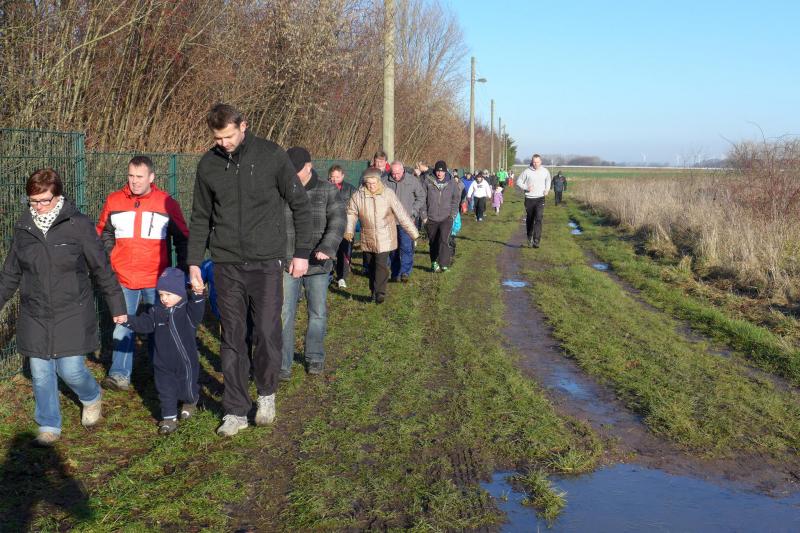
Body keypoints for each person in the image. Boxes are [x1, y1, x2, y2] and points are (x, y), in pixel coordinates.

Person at [187, 103, 313, 437]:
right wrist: (194, 262)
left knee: (268, 333)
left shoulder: (271, 155)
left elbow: (300, 204)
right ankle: (236, 410)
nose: (223, 143)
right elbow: (200, 217)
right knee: (232, 337)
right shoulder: (208, 165)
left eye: (228, 136)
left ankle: (267, 393)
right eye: (217, 138)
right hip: (226, 263)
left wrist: (301, 253)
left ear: (243, 125)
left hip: (266, 263)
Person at [0, 169, 126, 446]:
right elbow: (10, 273)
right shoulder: (23, 228)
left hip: (72, 310)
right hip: (35, 311)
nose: (39, 206)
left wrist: (117, 304)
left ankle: (91, 396)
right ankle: (48, 423)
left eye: (44, 200)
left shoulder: (78, 224)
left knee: (70, 370)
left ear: (58, 196)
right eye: (33, 201)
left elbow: (101, 267)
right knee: (41, 372)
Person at [96, 155, 189, 392]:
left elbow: (182, 238)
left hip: (156, 279)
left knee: (160, 326)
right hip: (123, 277)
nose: (135, 181)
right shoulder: (114, 200)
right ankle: (119, 375)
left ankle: (162, 373)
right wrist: (111, 257)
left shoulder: (166, 203)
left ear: (151, 177)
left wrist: (181, 273)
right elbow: (103, 232)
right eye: (131, 176)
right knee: (122, 324)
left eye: (140, 176)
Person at [280, 148, 345, 380]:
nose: (292, 175)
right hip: (288, 262)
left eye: (297, 170)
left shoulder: (327, 190)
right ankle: (283, 364)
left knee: (317, 311)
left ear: (309, 166)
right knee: (284, 313)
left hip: (317, 263)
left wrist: (327, 247)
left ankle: (315, 356)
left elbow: (338, 220)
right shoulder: (282, 189)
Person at [115, 267, 205, 434]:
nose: (164, 298)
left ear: (180, 293)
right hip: (162, 362)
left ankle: (190, 401)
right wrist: (127, 320)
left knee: (187, 387)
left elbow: (198, 307)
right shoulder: (156, 311)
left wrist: (198, 294)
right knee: (165, 390)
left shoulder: (188, 312)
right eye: (161, 294)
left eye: (168, 294)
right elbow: (144, 324)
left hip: (185, 361)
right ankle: (169, 418)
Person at [344, 168, 419, 304]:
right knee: (371, 266)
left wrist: (414, 233)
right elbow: (351, 213)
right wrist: (349, 230)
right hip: (367, 237)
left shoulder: (388, 194)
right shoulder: (358, 196)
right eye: (368, 183)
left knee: (381, 265)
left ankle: (380, 292)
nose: (371, 186)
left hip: (385, 236)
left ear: (379, 181)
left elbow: (401, 214)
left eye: (374, 183)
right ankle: (373, 291)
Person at [383, 161, 426, 282]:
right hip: (390, 221)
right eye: (393, 173)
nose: (395, 176)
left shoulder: (412, 181)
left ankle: (405, 272)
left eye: (398, 173)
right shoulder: (384, 181)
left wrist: (414, 211)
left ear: (403, 171)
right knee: (393, 249)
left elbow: (421, 196)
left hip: (407, 220)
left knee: (406, 247)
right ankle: (395, 272)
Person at [421, 160, 461, 273]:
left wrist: (452, 215)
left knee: (444, 240)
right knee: (433, 241)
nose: (439, 173)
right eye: (438, 171)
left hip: (446, 217)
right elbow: (422, 199)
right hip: (431, 217)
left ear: (445, 171)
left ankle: (444, 264)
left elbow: (456, 199)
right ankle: (434, 262)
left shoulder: (451, 182)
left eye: (442, 171)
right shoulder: (427, 180)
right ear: (435, 171)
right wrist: (424, 215)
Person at [328, 165, 357, 289]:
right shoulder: (325, 187)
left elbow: (355, 207)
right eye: (332, 177)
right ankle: (328, 275)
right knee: (328, 251)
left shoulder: (350, 189)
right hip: (329, 225)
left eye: (337, 177)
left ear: (343, 176)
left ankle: (342, 277)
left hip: (345, 226)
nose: (334, 179)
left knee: (344, 252)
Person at [516, 154, 551, 248]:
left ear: (541, 162)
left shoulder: (545, 171)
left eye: (537, 162)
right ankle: (529, 237)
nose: (536, 164)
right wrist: (526, 187)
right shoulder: (527, 171)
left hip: (540, 198)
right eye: (534, 162)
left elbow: (548, 180)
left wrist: (547, 189)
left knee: (539, 218)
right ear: (532, 162)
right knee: (530, 219)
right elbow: (518, 181)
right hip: (529, 199)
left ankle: (536, 240)